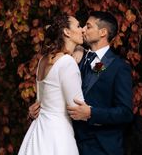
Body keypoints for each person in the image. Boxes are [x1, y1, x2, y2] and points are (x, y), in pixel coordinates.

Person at [28, 11, 134, 155]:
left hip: (102, 148)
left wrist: (91, 113)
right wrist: (42, 109)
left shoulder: (118, 67)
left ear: (103, 32)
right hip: (71, 143)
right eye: (82, 26)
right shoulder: (72, 59)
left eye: (88, 27)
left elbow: (125, 113)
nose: (83, 29)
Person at [18, 14, 85, 155]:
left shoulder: (43, 59)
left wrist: (80, 49)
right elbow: (77, 108)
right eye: (78, 26)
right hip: (58, 135)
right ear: (67, 32)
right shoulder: (67, 62)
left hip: (39, 131)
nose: (83, 30)